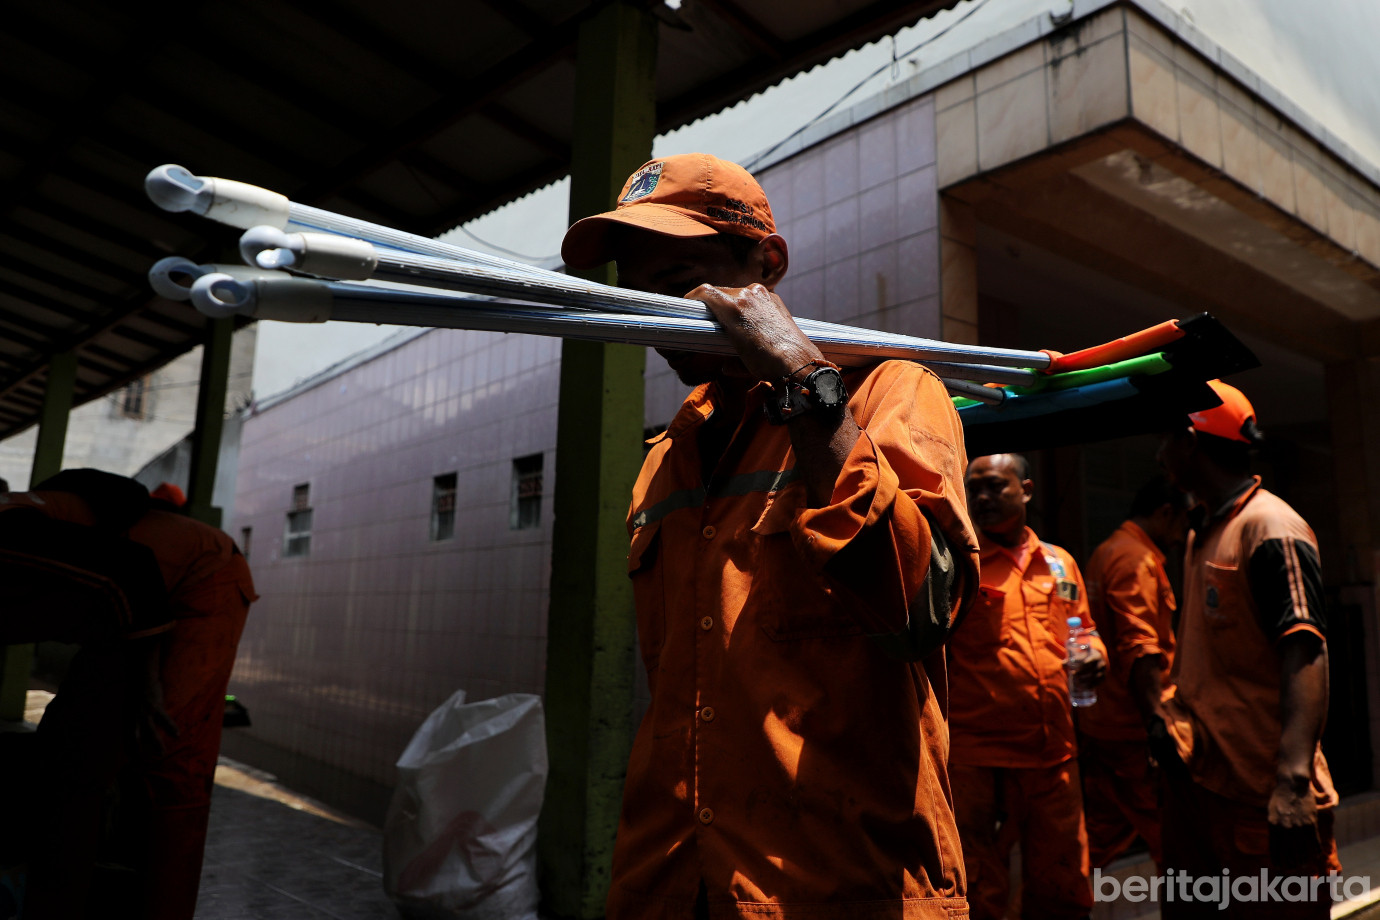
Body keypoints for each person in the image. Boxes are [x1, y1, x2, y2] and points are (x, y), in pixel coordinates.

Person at [560, 152, 980, 918]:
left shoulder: (888, 395)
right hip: (668, 885)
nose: (658, 309)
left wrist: (802, 383)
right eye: (639, 288)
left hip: (840, 888)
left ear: (767, 263)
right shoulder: (663, 462)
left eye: (683, 274)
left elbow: (919, 613)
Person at [1, 470, 256, 920]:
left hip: (197, 581)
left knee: (159, 752)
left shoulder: (9, 537)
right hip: (128, 614)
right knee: (68, 753)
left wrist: (149, 685)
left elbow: (132, 570)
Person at [1155, 381, 1339, 918]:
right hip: (1205, 788)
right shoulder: (1201, 532)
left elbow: (1305, 650)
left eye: (1165, 440)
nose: (1158, 455)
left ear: (1190, 441)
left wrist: (1293, 781)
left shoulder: (1271, 528)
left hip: (1262, 802)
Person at [948, 453, 1107, 920]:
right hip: (979, 759)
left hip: (1053, 753)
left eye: (995, 486)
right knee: (978, 886)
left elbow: (1083, 628)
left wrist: (1095, 652)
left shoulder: (1059, 564)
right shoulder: (960, 562)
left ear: (1028, 490)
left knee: (1064, 882)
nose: (981, 497)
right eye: (974, 488)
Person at [1077, 476, 1191, 868]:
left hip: (1105, 726)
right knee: (1177, 840)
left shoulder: (1112, 549)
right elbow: (1140, 649)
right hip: (1132, 733)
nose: (1181, 538)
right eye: (1180, 525)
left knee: (1095, 840)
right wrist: (1158, 727)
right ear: (1165, 514)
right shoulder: (1134, 559)